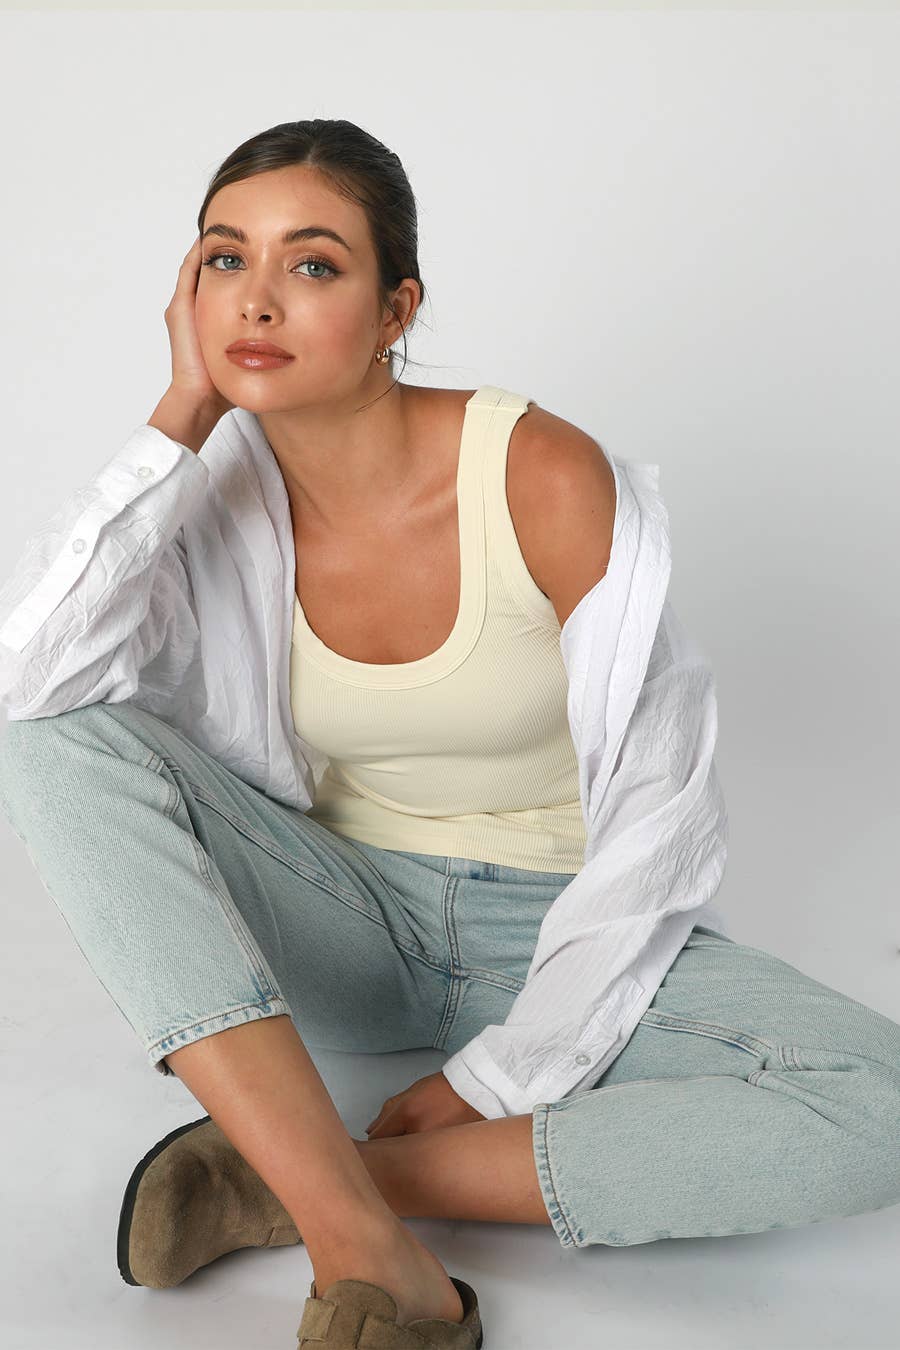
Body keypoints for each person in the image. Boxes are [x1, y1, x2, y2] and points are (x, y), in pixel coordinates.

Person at [1, 119, 898, 1350]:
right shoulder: (208, 498)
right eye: (223, 260)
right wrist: (182, 408)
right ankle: (370, 1253)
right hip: (339, 917)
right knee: (53, 739)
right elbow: (28, 688)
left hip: (560, 927)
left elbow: (662, 808)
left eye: (311, 266)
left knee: (883, 1104)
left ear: (394, 308)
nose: (256, 299)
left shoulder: (538, 471)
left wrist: (495, 1080)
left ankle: (298, 1184)